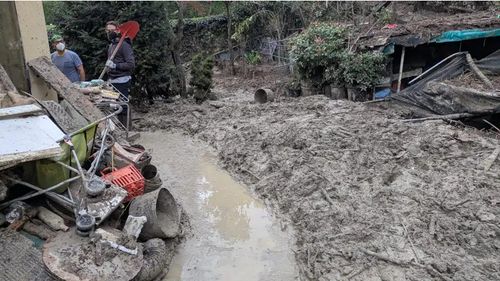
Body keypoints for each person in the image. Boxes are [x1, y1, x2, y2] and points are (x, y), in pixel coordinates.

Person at [105, 21, 135, 127]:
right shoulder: (112, 45)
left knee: (123, 105)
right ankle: (121, 129)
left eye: (111, 30)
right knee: (116, 105)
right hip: (112, 79)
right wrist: (109, 67)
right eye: (107, 30)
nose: (109, 32)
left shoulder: (124, 45)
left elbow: (131, 64)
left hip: (122, 80)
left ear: (118, 30)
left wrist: (115, 66)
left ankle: (127, 129)